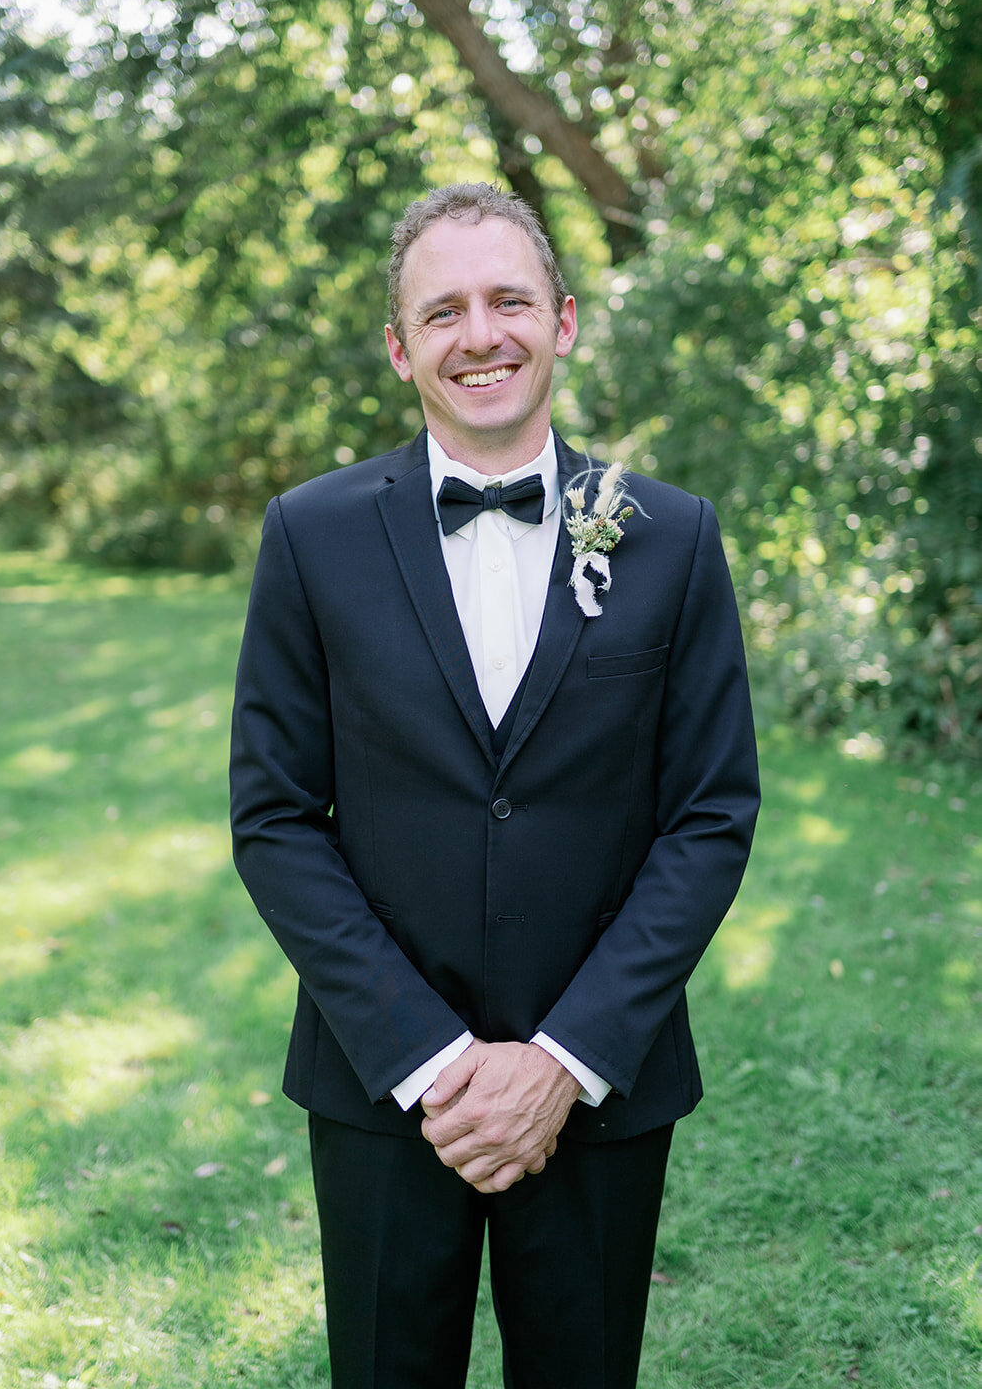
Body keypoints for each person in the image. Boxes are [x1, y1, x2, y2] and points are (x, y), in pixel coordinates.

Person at [230, 181, 760, 1388]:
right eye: (444, 311)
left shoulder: (670, 535)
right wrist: (432, 1061)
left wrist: (561, 1059)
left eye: (509, 300)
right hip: (384, 1084)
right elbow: (274, 817)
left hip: (599, 1085)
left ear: (560, 320)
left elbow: (708, 814)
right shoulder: (308, 535)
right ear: (399, 347)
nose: (480, 334)